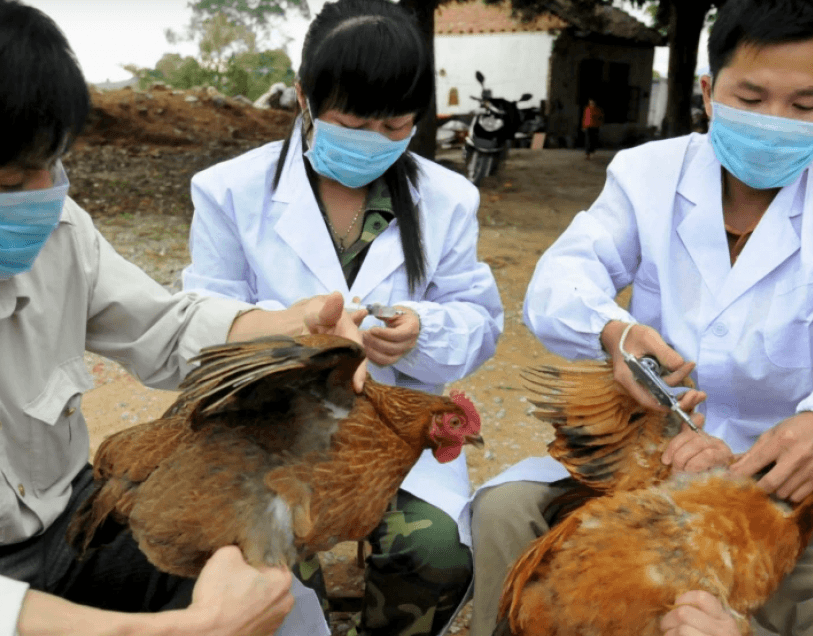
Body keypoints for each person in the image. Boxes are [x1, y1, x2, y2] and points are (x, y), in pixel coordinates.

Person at [0, 2, 368, 635]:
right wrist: (166, 631)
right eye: (10, 183)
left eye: (56, 164)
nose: (47, 195)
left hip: (72, 528)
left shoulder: (62, 235)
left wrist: (293, 327)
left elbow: (169, 328)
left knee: (279, 602)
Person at [469, 0, 813, 634]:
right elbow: (559, 280)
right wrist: (616, 332)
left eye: (804, 106)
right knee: (505, 513)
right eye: (754, 96)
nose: (776, 121)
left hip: (789, 482)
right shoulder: (649, 173)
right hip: (652, 454)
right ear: (710, 93)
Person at [182, 0, 504, 633]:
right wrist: (297, 340)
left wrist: (421, 331)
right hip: (269, 433)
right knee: (264, 574)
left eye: (395, 125)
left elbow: (480, 322)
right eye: (354, 120)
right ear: (304, 98)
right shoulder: (228, 192)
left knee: (437, 554)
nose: (375, 140)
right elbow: (205, 325)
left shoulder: (447, 200)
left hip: (390, 440)